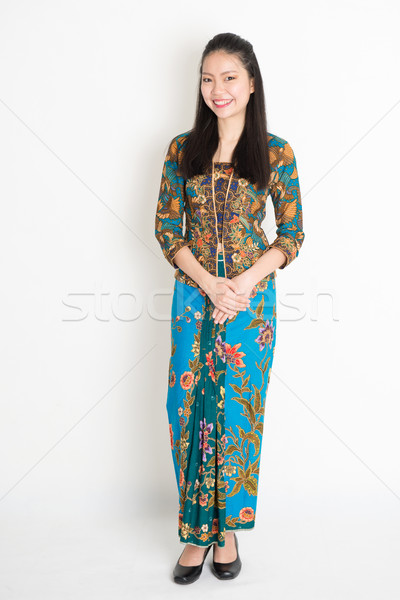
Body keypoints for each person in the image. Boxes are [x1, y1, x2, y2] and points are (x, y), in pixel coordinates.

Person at [154, 32, 305, 584]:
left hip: (249, 302)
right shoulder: (181, 149)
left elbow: (291, 235)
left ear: (251, 83)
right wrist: (209, 285)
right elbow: (167, 229)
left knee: (238, 414)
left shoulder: (276, 150)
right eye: (208, 78)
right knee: (188, 410)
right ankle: (194, 536)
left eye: (229, 78)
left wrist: (238, 284)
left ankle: (229, 533)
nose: (218, 89)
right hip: (194, 298)